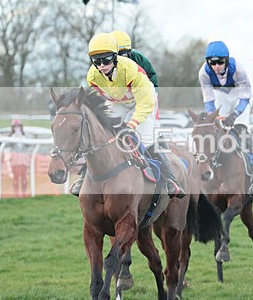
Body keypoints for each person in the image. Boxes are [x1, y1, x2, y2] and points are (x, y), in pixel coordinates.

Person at [70, 32, 184, 198]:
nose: (102, 65)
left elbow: (146, 104)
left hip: (143, 101)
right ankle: (83, 176)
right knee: (103, 135)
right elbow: (101, 102)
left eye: (106, 60)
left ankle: (170, 180)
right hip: (118, 102)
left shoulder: (131, 70)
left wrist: (131, 124)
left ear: (115, 57)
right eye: (97, 61)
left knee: (145, 139)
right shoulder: (92, 76)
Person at [198, 40, 253, 150]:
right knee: (218, 127)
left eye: (220, 62)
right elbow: (209, 100)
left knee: (241, 128)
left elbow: (244, 97)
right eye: (213, 63)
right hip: (221, 95)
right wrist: (213, 116)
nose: (217, 66)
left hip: (240, 96)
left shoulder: (238, 68)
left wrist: (234, 115)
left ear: (226, 60)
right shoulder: (203, 73)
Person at [7, 119, 30, 197]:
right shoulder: (10, 136)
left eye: (18, 126)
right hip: (14, 159)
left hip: (24, 159)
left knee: (24, 176)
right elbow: (7, 145)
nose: (16, 128)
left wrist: (22, 138)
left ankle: (24, 193)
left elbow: (30, 144)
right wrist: (13, 138)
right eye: (15, 127)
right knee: (15, 177)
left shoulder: (26, 135)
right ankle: (16, 194)